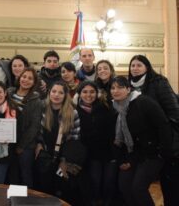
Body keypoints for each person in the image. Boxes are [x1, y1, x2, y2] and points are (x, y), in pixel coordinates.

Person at [111, 76, 172, 206]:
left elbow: (163, 125)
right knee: (124, 185)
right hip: (134, 155)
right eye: (113, 88)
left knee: (138, 188)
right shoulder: (117, 108)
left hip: (153, 154)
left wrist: (163, 152)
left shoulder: (143, 102)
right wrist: (125, 160)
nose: (115, 91)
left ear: (128, 89)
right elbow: (121, 139)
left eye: (120, 87)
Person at [127, 55, 179, 206]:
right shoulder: (128, 87)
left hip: (166, 141)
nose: (135, 68)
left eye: (139, 65)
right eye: (132, 66)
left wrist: (167, 139)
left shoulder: (158, 82)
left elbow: (174, 112)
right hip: (145, 145)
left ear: (147, 67)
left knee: (170, 186)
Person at [35, 81, 83, 204]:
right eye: (54, 91)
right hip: (46, 156)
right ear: (49, 93)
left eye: (60, 92)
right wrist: (39, 144)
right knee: (45, 189)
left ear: (66, 95)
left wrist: (64, 160)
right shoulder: (43, 109)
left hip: (64, 157)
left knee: (63, 190)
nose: (56, 95)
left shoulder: (73, 112)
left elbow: (74, 139)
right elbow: (38, 132)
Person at [76, 81, 117, 205]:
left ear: (97, 93)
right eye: (85, 92)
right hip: (91, 155)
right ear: (79, 93)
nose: (88, 95)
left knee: (109, 183)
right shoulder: (75, 110)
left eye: (92, 92)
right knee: (95, 182)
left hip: (110, 152)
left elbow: (114, 131)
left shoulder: (106, 106)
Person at [7, 67, 42, 188]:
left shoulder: (36, 100)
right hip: (9, 142)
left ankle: (27, 202)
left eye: (30, 78)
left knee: (25, 175)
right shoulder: (9, 93)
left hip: (26, 145)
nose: (26, 80)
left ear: (34, 82)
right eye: (24, 76)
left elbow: (35, 126)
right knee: (12, 175)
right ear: (19, 77)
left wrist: (22, 146)